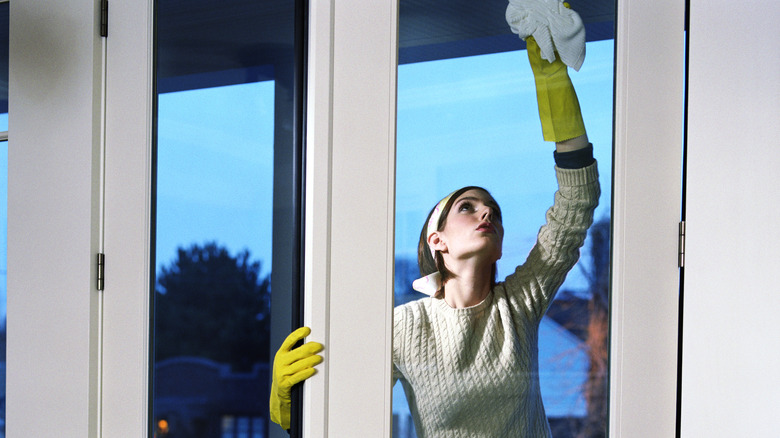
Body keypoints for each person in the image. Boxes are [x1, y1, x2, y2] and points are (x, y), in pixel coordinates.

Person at [270, 1, 599, 436]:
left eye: (494, 212)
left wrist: (551, 78)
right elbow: (340, 409)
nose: (487, 213)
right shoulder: (403, 327)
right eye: (468, 207)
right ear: (436, 240)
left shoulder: (518, 306)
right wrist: (286, 401)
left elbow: (577, 204)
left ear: (499, 244)